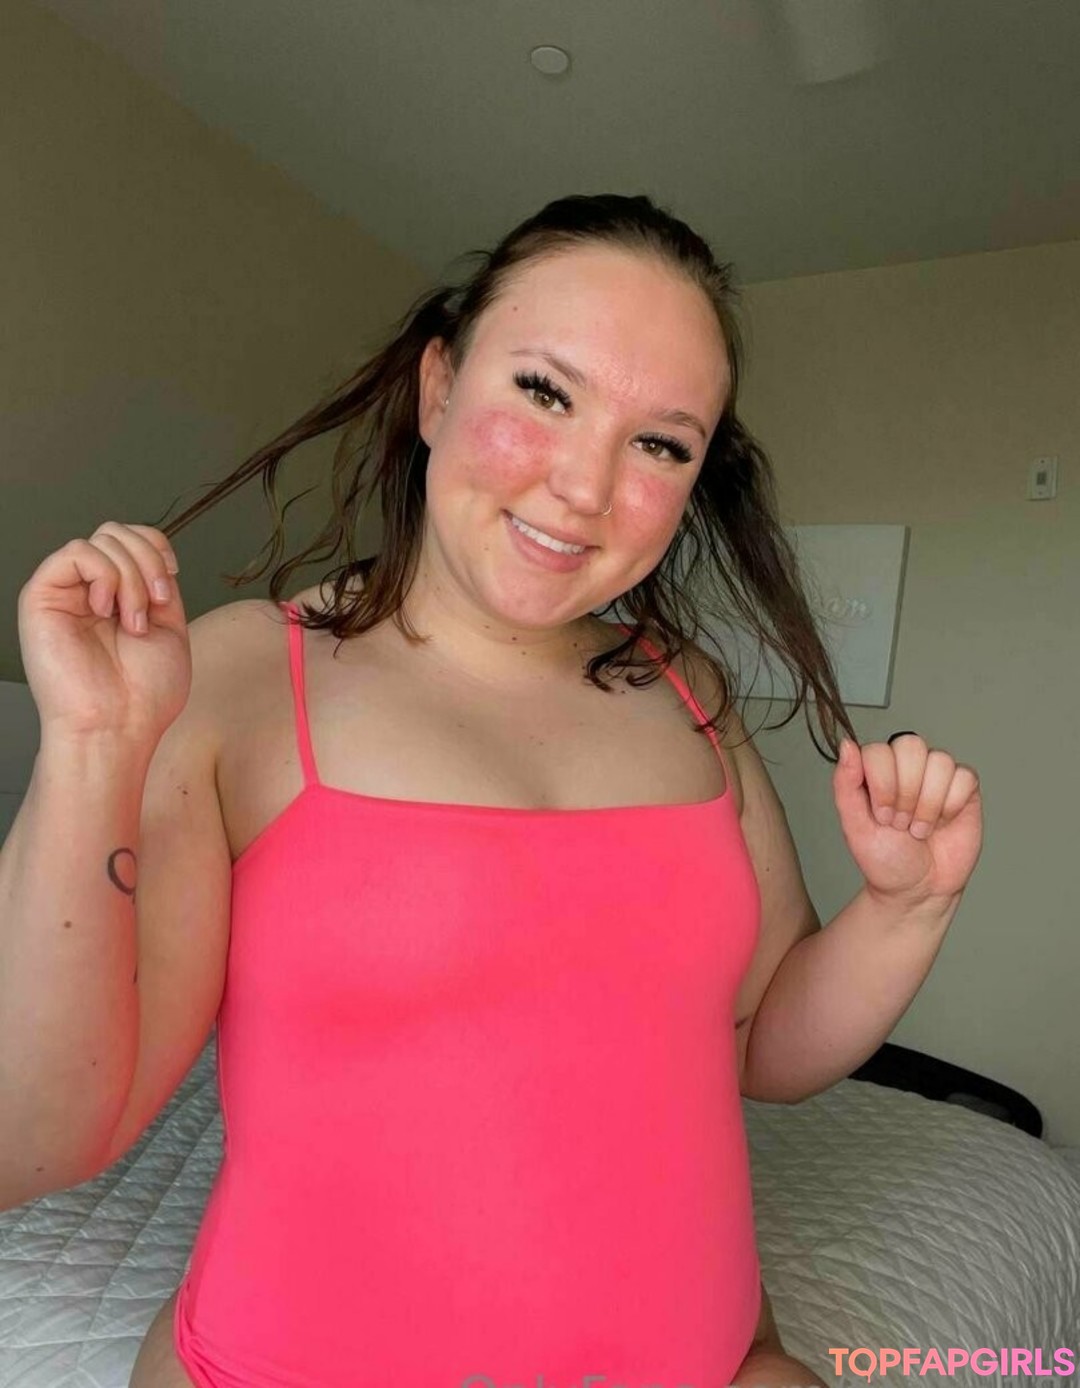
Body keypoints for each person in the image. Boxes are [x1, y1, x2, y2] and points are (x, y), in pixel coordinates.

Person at [6, 193, 982, 1388]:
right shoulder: (244, 677)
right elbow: (35, 1137)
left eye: (660, 444)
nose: (584, 485)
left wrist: (907, 907)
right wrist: (92, 747)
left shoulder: (689, 694)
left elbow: (767, 1040)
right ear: (438, 389)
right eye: (545, 392)